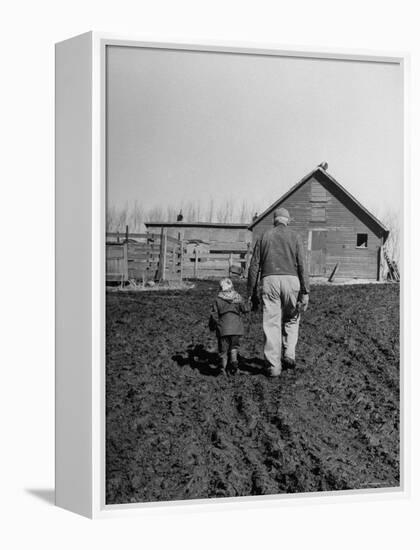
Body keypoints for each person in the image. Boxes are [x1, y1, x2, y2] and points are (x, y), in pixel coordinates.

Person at [247, 207, 309, 377]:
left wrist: (251, 292)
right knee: (292, 318)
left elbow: (254, 267)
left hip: (269, 281)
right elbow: (303, 266)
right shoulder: (296, 237)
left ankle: (273, 367)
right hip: (292, 281)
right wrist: (305, 291)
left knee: (272, 323)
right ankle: (289, 353)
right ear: (287, 220)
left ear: (274, 220)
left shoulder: (264, 236)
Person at [209, 278, 250, 376]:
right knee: (234, 347)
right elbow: (245, 309)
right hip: (236, 328)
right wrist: (249, 303)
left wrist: (213, 326)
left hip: (223, 327)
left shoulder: (218, 300)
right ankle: (234, 364)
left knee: (223, 350)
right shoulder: (237, 297)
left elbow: (214, 315)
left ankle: (222, 368)